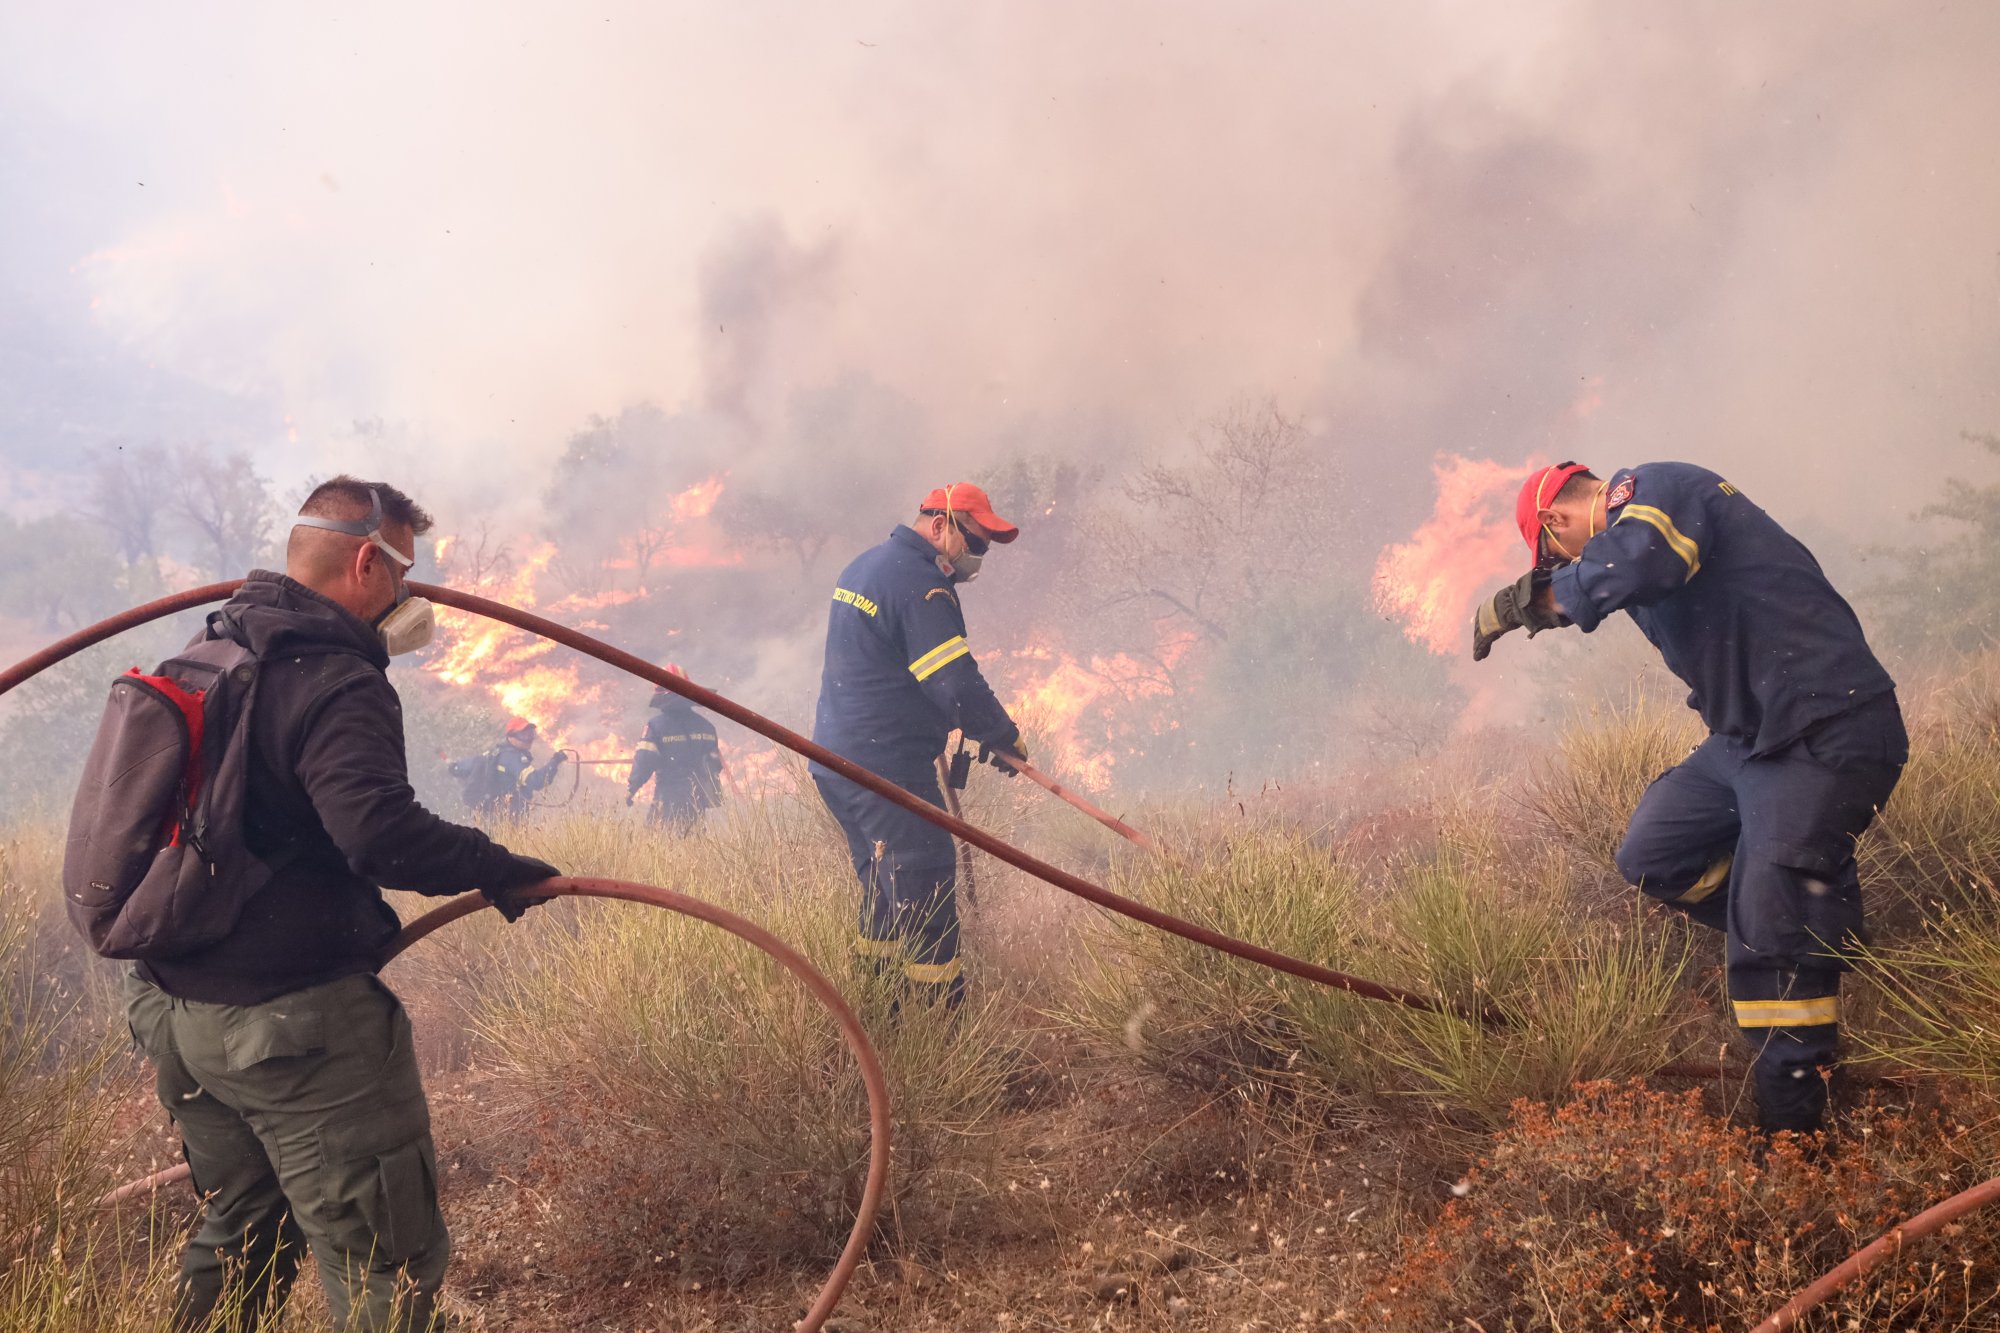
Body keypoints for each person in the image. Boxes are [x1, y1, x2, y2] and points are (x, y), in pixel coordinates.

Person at [119, 477, 561, 1331]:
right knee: (384, 1260)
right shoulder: (337, 676)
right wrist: (495, 864)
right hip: (292, 1033)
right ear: (366, 562)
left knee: (244, 1226)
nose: (409, 596)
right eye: (403, 574)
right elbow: (379, 833)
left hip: (175, 1009)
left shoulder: (217, 649)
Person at [1472, 460, 1906, 1134]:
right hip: (1748, 741)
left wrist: (1528, 602)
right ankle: (1805, 917)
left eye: (1555, 558)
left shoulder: (1654, 491)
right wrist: (1546, 600)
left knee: (1767, 947)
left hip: (1828, 730)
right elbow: (1616, 577)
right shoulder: (1626, 546)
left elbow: (1641, 561)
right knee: (1654, 851)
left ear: (1557, 521)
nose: (1563, 572)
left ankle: (1796, 1148)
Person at [809, 482, 1028, 1006]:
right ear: (939, 525)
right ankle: (940, 1030)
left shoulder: (865, 566)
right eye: (975, 542)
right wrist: (1002, 734)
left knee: (885, 887)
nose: (980, 557)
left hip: (837, 761)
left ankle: (878, 1017)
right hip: (885, 768)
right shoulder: (921, 583)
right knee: (926, 883)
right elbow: (952, 679)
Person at [626, 665, 725, 833]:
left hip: (668, 794)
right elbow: (715, 764)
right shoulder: (706, 726)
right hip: (698, 797)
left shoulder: (656, 726)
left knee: (656, 842)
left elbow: (644, 761)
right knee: (692, 842)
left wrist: (632, 788)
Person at [450, 716, 568, 818]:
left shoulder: (495, 753)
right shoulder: (513, 759)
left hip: (490, 816)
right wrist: (555, 761)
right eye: (524, 735)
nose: (529, 739)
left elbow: (467, 765)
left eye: (531, 734)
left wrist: (454, 767)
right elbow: (537, 781)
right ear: (511, 737)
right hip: (509, 819)